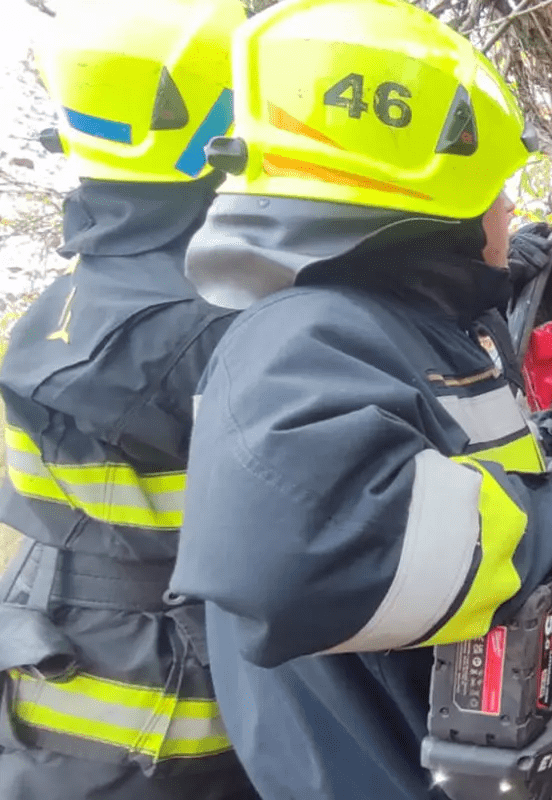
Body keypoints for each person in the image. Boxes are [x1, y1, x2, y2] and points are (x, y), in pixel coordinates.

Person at [169, 1, 552, 797]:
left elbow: (443, 469)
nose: (508, 208)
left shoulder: (399, 331)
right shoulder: (300, 338)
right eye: (495, 190)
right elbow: (294, 553)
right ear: (435, 209)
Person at [0, 1, 257, 799]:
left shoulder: (62, 302)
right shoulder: (212, 327)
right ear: (228, 122)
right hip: (171, 721)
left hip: (55, 689)